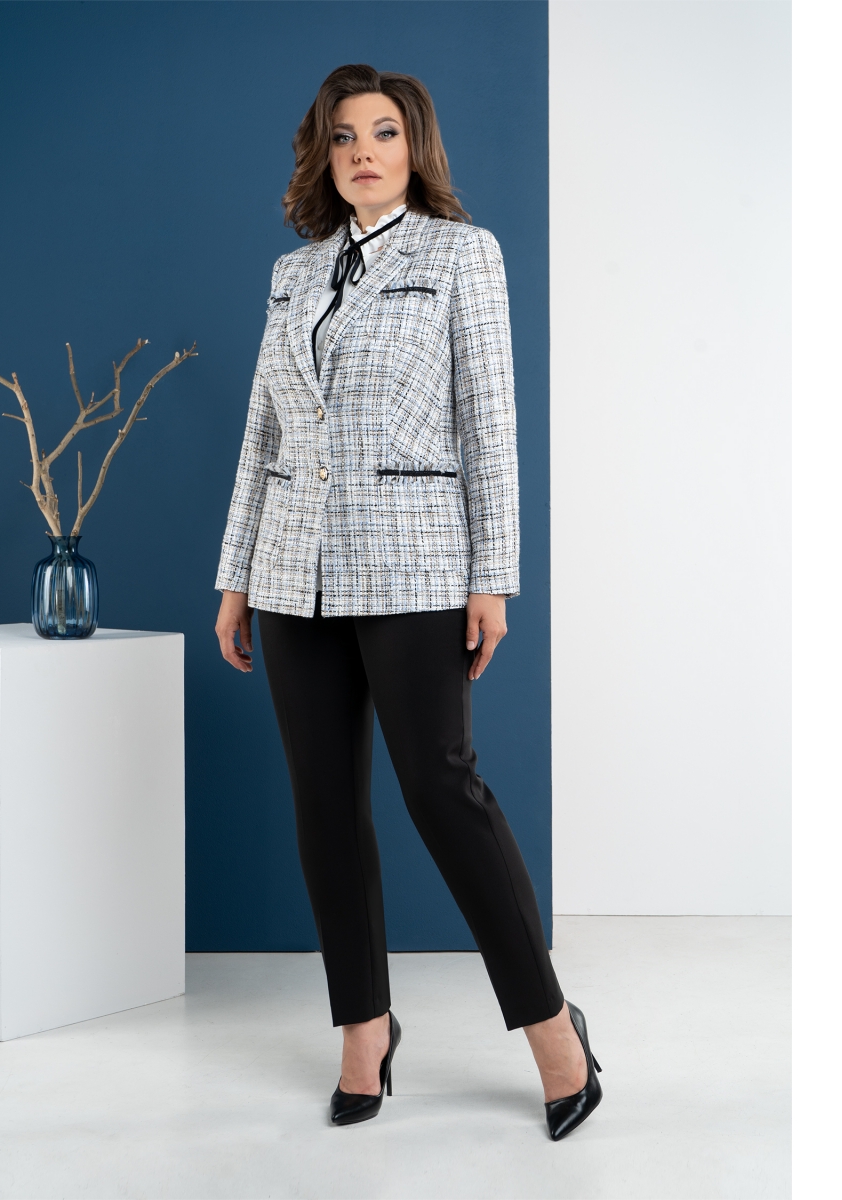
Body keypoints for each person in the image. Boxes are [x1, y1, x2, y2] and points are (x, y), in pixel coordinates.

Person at [215, 63, 602, 1139]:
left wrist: (493, 576)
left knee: (441, 789)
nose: (363, 153)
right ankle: (364, 1030)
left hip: (418, 565)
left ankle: (552, 1029)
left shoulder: (461, 255)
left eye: (383, 133)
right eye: (344, 136)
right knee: (324, 805)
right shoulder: (294, 274)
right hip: (293, 572)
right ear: (324, 154)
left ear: (414, 146)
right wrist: (236, 575)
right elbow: (262, 431)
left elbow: (491, 421)